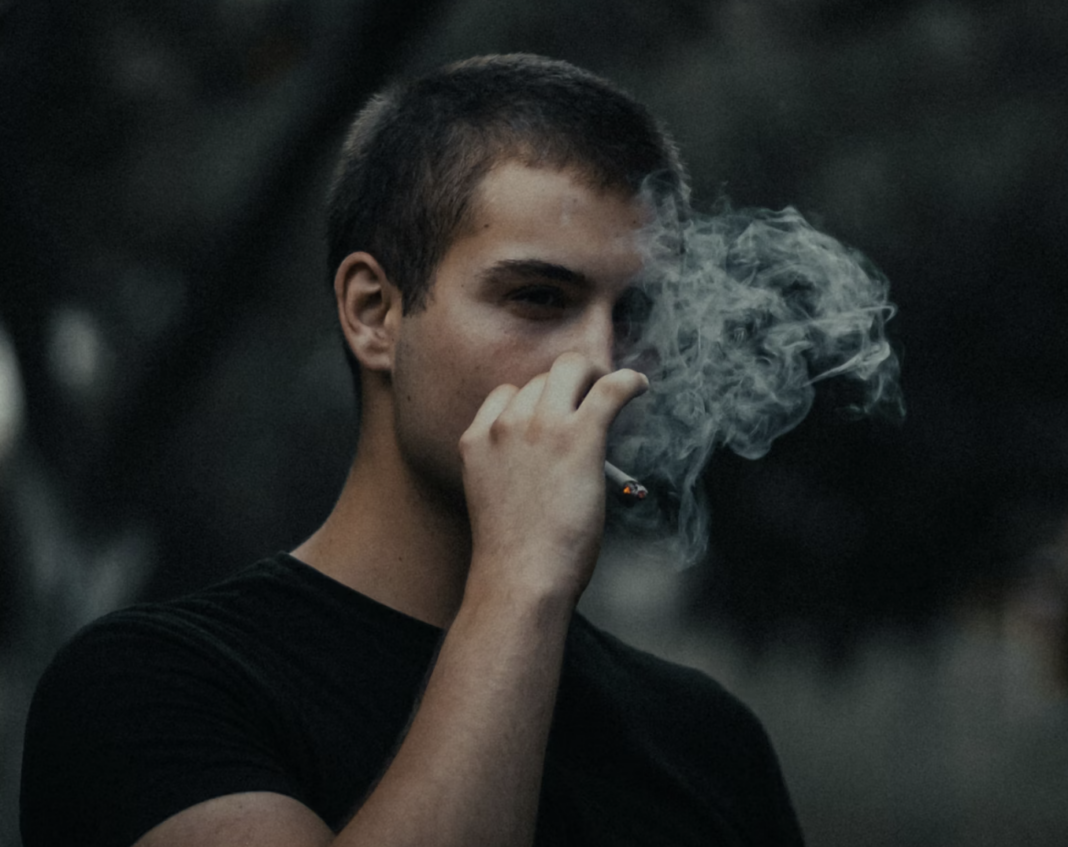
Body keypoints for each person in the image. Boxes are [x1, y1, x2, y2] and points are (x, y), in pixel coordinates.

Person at [21, 54, 805, 846]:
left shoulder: (709, 743)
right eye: (539, 297)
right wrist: (521, 575)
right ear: (374, 314)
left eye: (636, 312)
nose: (605, 361)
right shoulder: (154, 685)